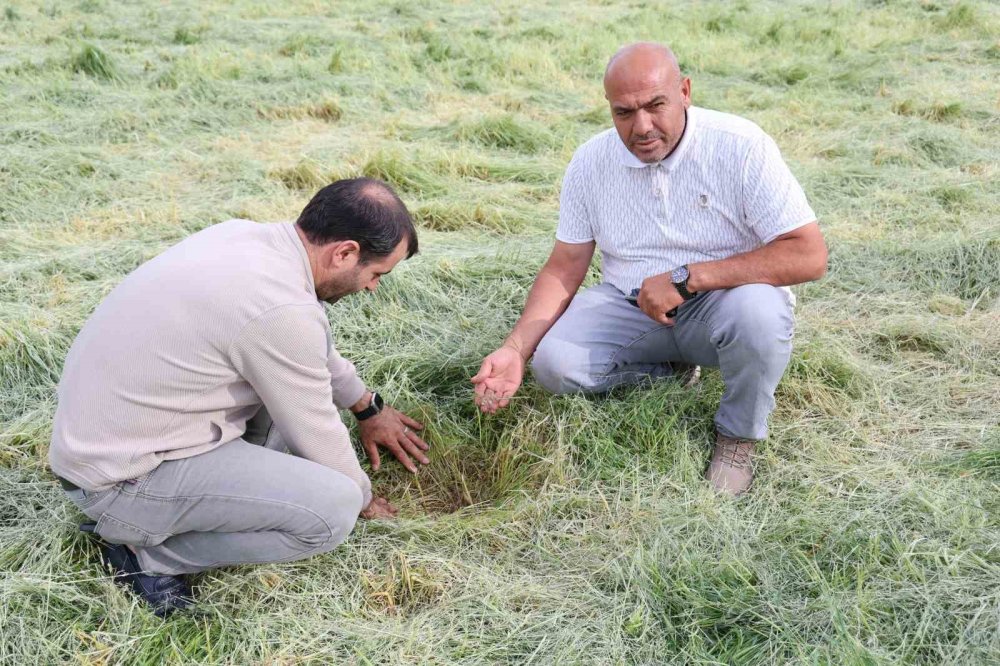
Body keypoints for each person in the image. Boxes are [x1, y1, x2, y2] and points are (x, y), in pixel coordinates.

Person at [49, 178, 431, 616]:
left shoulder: (245, 238)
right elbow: (316, 428)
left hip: (113, 441)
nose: (373, 288)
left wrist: (367, 406)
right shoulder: (279, 310)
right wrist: (363, 498)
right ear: (344, 252)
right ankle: (143, 559)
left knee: (285, 403)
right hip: (122, 481)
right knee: (332, 510)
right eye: (377, 273)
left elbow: (314, 351)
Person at [472, 43, 827, 496]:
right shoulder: (590, 161)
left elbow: (809, 255)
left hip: (725, 303)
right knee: (555, 364)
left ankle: (737, 437)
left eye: (655, 105)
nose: (641, 127)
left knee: (760, 314)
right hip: (629, 305)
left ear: (684, 91)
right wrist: (515, 350)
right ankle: (670, 369)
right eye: (624, 112)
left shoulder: (741, 146)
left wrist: (686, 277)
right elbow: (565, 265)